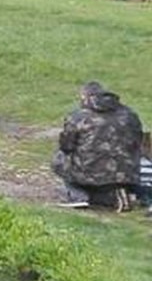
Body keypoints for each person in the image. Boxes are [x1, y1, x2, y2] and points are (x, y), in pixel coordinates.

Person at [53, 82, 143, 211]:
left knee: (60, 158)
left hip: (90, 170)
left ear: (85, 96)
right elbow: (139, 140)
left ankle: (78, 196)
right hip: (125, 170)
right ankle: (116, 194)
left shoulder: (78, 116)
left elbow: (66, 146)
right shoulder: (129, 114)